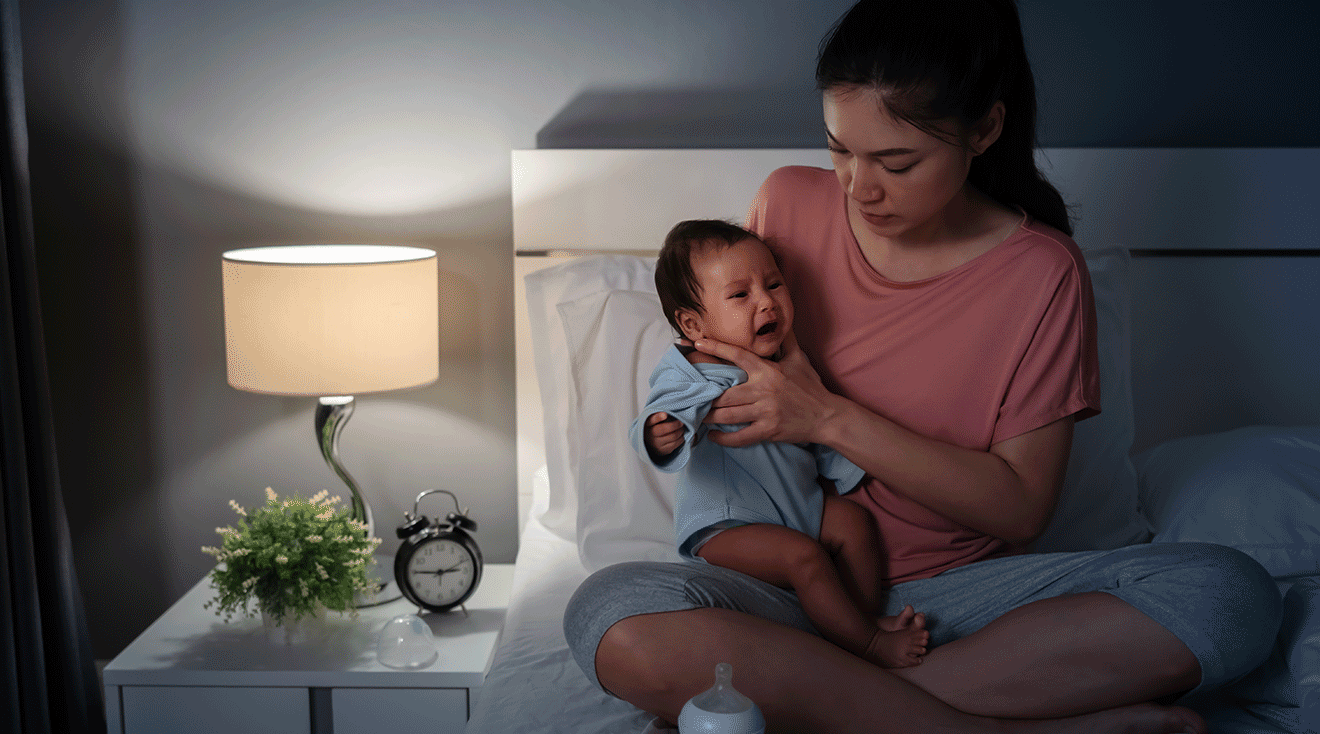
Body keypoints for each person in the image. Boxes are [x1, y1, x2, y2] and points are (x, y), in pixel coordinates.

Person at [564, 1, 1281, 732]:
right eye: (840, 150)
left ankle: (818, 699)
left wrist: (829, 417)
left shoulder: (1043, 274)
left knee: (1230, 595)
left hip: (963, 601)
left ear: (984, 130)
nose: (857, 187)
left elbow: (1020, 509)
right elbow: (714, 362)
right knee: (607, 612)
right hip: (787, 592)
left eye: (896, 161)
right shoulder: (787, 204)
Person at [633, 218, 929, 669]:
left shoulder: (790, 365)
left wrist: (847, 467)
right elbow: (660, 413)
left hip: (798, 505)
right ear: (693, 323)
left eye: (773, 284)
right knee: (804, 558)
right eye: (740, 295)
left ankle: (857, 620)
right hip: (728, 525)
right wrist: (659, 431)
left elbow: (814, 429)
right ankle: (866, 648)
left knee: (853, 524)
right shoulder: (691, 371)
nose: (766, 302)